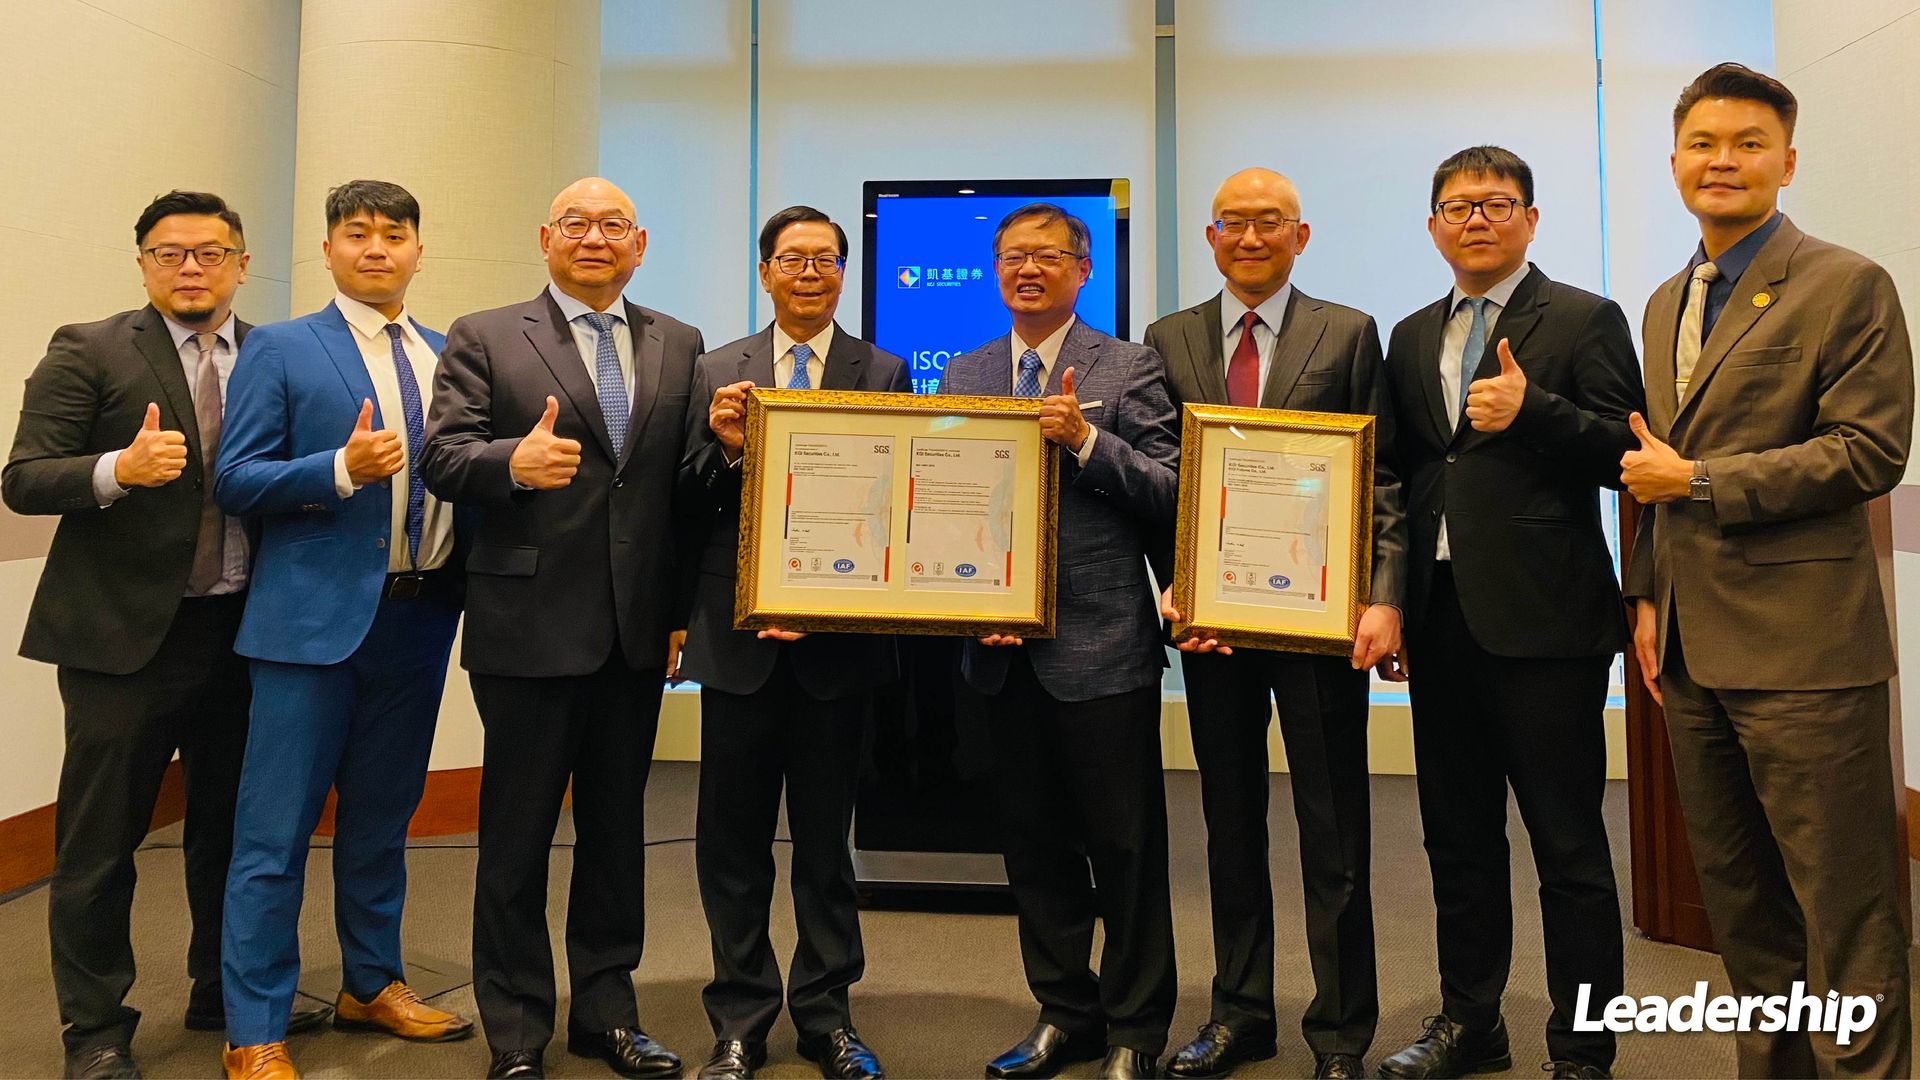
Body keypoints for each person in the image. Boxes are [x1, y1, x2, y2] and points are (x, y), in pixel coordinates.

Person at [1621, 62, 1912, 1078]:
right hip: (1690, 650)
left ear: (1787, 162)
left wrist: (1699, 481)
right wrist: (1648, 595)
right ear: (1674, 162)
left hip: (1807, 654)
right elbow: (1652, 463)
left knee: (1847, 912)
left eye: (1749, 144)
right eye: (1703, 143)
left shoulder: (1847, 283)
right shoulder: (1665, 301)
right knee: (1745, 911)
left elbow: (1868, 452)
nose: (1723, 161)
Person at [2, 190, 326, 1080]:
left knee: (234, 834)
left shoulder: (276, 354)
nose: (191, 268)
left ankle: (227, 993)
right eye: (170, 253)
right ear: (143, 262)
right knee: (101, 846)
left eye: (211, 252)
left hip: (246, 634)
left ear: (241, 264)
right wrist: (119, 468)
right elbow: (24, 478)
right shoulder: (90, 348)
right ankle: (95, 1029)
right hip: (121, 641)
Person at [422, 176, 704, 1080]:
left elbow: (680, 494)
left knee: (617, 835)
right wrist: (514, 460)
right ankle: (515, 1031)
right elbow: (441, 457)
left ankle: (608, 1015)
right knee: (516, 840)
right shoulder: (486, 334)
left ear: (640, 244)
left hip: (634, 631)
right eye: (576, 223)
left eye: (613, 225)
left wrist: (679, 614)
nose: (594, 238)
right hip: (528, 624)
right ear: (546, 237)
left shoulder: (678, 341)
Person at [1374, 147, 1642, 1080]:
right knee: (1457, 839)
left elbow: (1626, 455)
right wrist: (1390, 600)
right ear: (1433, 226)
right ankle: (1470, 1021)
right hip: (1440, 617)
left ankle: (1584, 1049)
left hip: (1547, 621)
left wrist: (1534, 410)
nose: (1476, 219)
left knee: (1568, 847)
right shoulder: (1411, 334)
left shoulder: (1584, 317)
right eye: (1457, 206)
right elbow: (1406, 474)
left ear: (1530, 218)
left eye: (1496, 203)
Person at [213, 180, 474, 1079]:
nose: (376, 249)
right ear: (327, 250)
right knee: (273, 837)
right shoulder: (282, 347)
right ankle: (254, 1029)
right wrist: (338, 467)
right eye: (356, 234)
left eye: (394, 234)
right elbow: (235, 478)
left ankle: (372, 982)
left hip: (420, 619)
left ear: (417, 251)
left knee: (381, 821)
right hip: (306, 630)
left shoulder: (447, 354)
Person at [1147, 168, 1404, 1080]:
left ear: (1301, 236)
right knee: (1229, 823)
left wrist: (1385, 595)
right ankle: (1240, 1014)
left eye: (1270, 223)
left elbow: (1382, 474)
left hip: (1318, 620)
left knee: (1334, 828)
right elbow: (1164, 480)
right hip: (1213, 625)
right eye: (1234, 223)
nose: (1250, 238)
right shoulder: (1169, 337)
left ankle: (1340, 1032)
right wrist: (1173, 586)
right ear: (1211, 237)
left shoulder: (1349, 331)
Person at [940, 202, 1180, 1080]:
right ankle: (1064, 1011)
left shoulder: (1128, 364)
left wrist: (1086, 439)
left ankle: (1135, 1028)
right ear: (994, 270)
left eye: (1047, 255)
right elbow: (947, 501)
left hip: (1101, 644)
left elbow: (1170, 488)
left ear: (1083, 269)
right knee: (1033, 849)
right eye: (1012, 256)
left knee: (1125, 847)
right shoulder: (965, 372)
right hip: (999, 650)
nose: (1027, 270)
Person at [677, 205, 907, 1080]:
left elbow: (895, 503)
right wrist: (727, 448)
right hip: (739, 641)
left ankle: (826, 1015)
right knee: (731, 845)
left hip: (836, 648)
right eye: (793, 259)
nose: (809, 273)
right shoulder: (715, 370)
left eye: (825, 260)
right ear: (765, 270)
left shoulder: (880, 370)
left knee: (825, 848)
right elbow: (686, 498)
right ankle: (739, 1018)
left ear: (844, 273)